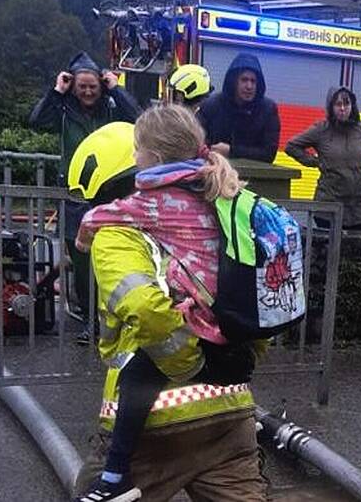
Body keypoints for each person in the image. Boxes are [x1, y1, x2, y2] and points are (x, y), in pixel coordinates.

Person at [68, 119, 265, 502]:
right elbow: (256, 292)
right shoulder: (218, 215)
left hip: (152, 425)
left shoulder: (116, 232)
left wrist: (191, 364)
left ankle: (111, 480)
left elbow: (144, 308)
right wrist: (241, 354)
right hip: (231, 413)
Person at [29, 51, 141, 342]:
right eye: (82, 86)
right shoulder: (63, 109)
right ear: (73, 86)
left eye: (93, 86)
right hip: (76, 194)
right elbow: (37, 121)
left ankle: (118, 319)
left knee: (116, 258)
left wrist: (117, 87)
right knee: (81, 264)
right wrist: (56, 91)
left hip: (111, 191)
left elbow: (140, 119)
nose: (89, 91)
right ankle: (91, 322)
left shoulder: (112, 106)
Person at [285, 86, 361, 229]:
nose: (342, 108)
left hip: (359, 208)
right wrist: (315, 162)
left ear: (352, 106)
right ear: (331, 106)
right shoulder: (321, 130)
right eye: (338, 104)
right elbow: (291, 146)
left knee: (355, 250)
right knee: (327, 250)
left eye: (346, 104)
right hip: (328, 208)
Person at [197, 53, 280, 163]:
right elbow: (195, 142)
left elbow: (268, 154)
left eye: (253, 81)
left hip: (255, 176)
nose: (249, 86)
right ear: (233, 81)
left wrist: (232, 151)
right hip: (214, 172)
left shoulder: (268, 110)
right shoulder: (211, 106)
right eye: (244, 80)